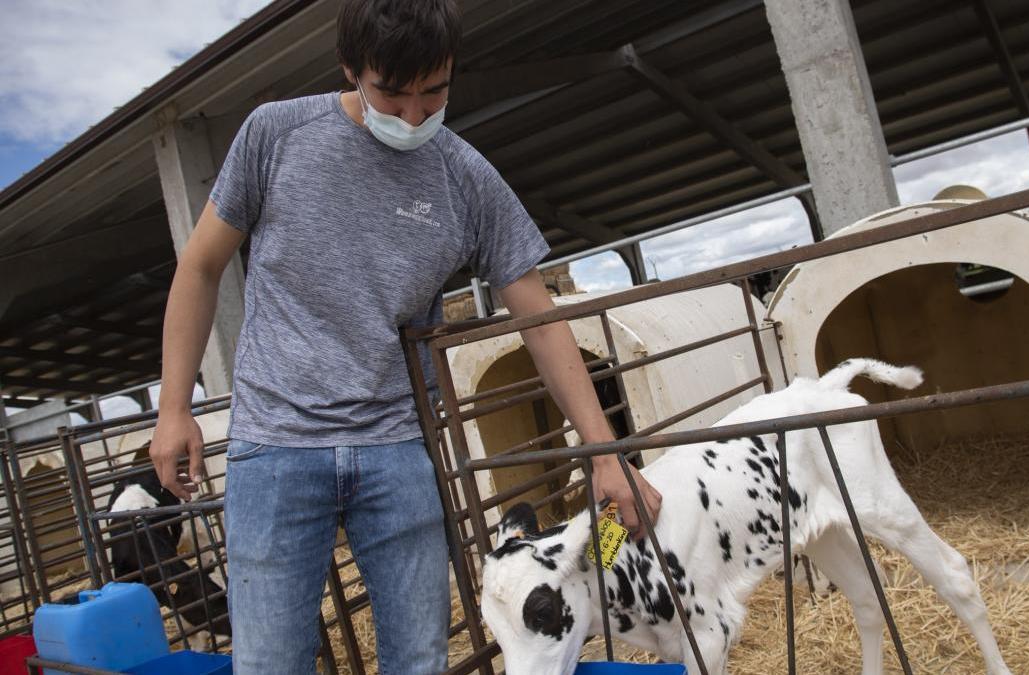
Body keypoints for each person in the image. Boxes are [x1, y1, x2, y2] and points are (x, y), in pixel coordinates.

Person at [147, 1, 661, 672]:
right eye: (394, 93)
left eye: (435, 92)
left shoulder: (463, 175)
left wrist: (602, 450)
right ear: (351, 69)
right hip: (274, 443)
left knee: (419, 657)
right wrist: (173, 405)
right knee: (270, 660)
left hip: (395, 444)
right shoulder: (276, 135)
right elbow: (201, 263)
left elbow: (536, 313)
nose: (416, 115)